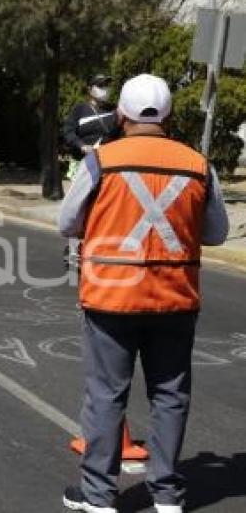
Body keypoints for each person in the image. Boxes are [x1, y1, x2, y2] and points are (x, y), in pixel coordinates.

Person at [58, 74, 229, 513]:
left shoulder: (101, 160)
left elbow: (67, 223)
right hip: (174, 298)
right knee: (170, 395)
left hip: (111, 298)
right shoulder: (197, 163)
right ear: (169, 116)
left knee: (106, 394)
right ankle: (167, 495)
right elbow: (216, 233)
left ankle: (98, 496)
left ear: (120, 115)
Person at [62, 74, 120, 179]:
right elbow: (68, 132)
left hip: (108, 164)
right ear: (89, 89)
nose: (105, 89)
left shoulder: (115, 110)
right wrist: (82, 146)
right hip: (83, 163)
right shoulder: (80, 109)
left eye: (107, 85)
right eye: (100, 85)